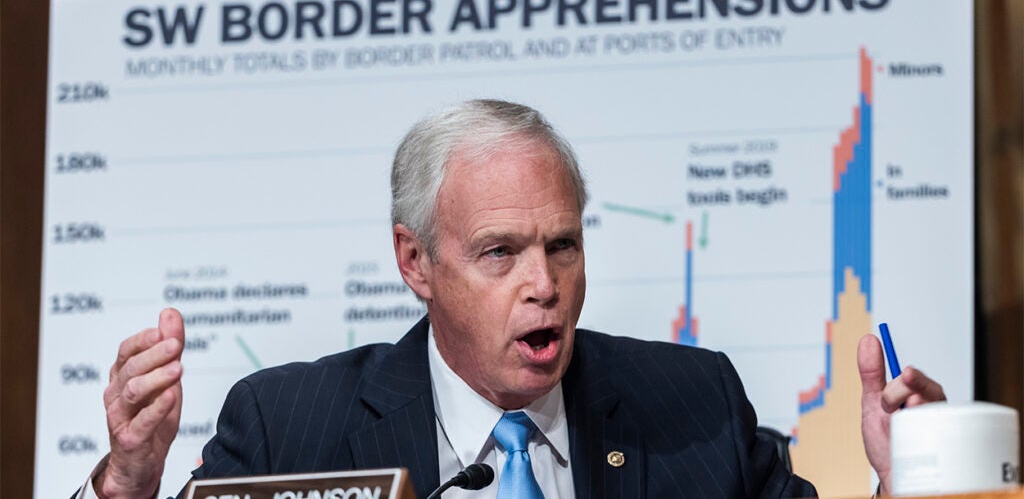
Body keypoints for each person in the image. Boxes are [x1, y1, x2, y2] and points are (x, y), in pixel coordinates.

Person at [78, 100, 946, 498]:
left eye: (562, 245)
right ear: (414, 262)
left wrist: (905, 484)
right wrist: (124, 484)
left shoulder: (695, 406)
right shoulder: (286, 426)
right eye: (500, 253)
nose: (545, 285)